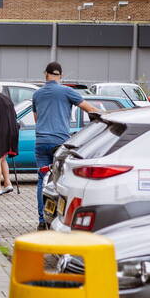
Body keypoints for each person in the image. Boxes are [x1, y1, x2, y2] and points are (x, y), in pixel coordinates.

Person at [32, 62, 101, 230]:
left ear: (45, 74)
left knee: (42, 179)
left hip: (41, 141)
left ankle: (42, 220)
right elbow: (90, 109)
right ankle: (56, 219)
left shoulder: (37, 94)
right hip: (59, 143)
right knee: (59, 180)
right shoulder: (67, 92)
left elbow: (36, 119)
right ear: (60, 76)